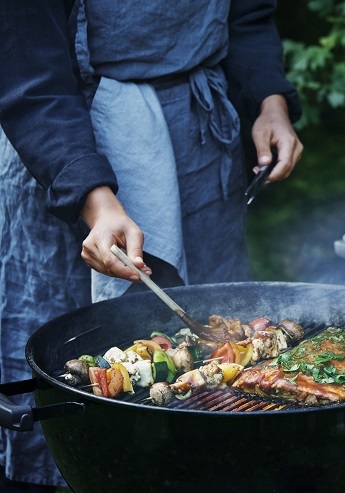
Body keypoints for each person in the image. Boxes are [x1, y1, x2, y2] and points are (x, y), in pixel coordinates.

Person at [0, 1, 303, 490]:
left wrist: (271, 100)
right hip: (65, 147)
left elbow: (246, 13)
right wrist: (93, 200)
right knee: (71, 351)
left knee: (215, 342)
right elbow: (26, 65)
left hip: (200, 144)